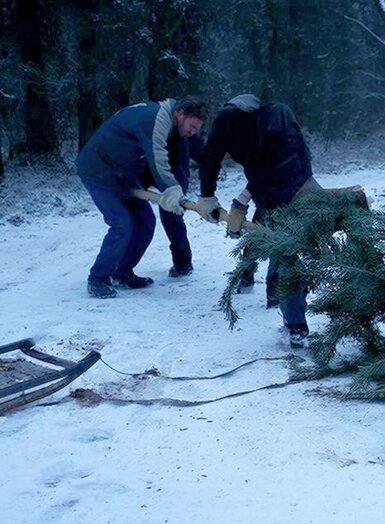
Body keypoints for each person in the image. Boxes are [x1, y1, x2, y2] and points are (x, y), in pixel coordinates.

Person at [196, 94, 313, 347]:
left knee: (284, 251)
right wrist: (209, 196)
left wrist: (237, 201)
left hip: (287, 190)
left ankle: (293, 323)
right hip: (280, 189)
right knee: (267, 235)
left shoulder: (264, 121)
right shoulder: (258, 120)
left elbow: (268, 166)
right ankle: (260, 285)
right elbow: (213, 158)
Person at [76, 96, 208, 298]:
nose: (192, 132)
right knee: (121, 223)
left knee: (145, 222)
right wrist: (172, 191)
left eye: (196, 129)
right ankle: (98, 279)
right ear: (180, 114)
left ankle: (122, 272)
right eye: (192, 126)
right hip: (98, 171)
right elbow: (158, 159)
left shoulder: (168, 121)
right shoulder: (154, 120)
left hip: (124, 175)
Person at [139, 132, 204, 278]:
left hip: (174, 172)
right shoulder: (149, 123)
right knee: (137, 216)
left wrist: (209, 163)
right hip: (144, 170)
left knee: (172, 217)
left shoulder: (180, 124)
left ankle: (183, 263)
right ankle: (122, 268)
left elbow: (199, 149)